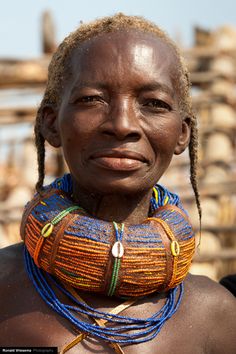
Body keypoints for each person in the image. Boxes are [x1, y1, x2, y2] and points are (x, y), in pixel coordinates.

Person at [0, 13, 236, 354]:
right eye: (92, 99)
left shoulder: (216, 314)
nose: (122, 124)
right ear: (50, 124)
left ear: (182, 133)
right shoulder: (5, 290)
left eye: (153, 104)